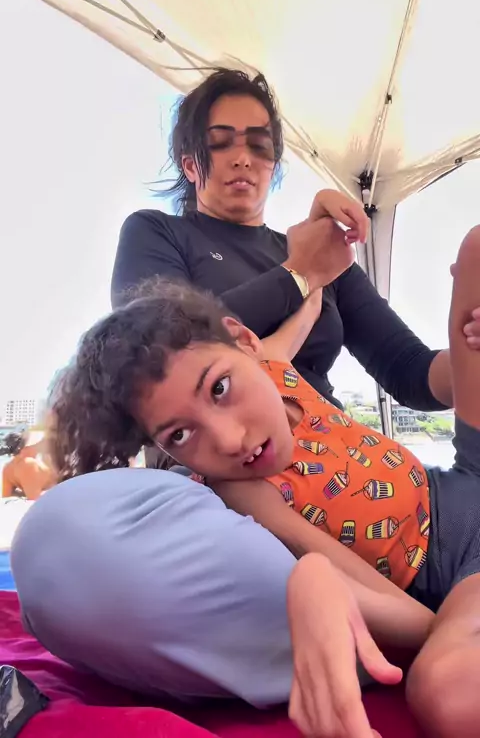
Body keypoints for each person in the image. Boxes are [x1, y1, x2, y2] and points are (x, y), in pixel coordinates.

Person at [37, 223, 480, 738]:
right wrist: (449, 633)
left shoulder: (273, 365)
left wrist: (321, 251)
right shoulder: (239, 489)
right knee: (448, 692)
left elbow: (311, 299)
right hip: (458, 562)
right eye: (179, 434)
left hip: (466, 470)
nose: (229, 440)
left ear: (246, 342)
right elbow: (391, 605)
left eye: (219, 388)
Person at [111, 68, 480, 465]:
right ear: (189, 165)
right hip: (221, 471)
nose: (243, 159)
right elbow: (157, 347)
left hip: (336, 460)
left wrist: (471, 348)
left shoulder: (321, 252)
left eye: (259, 146)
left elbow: (410, 371)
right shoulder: (156, 232)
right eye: (220, 143)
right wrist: (300, 275)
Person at [1, 429, 54, 501]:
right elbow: (34, 501)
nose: (37, 450)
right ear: (26, 447)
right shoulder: (29, 464)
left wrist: (22, 494)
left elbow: (6, 499)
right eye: (35, 445)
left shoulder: (7, 468)